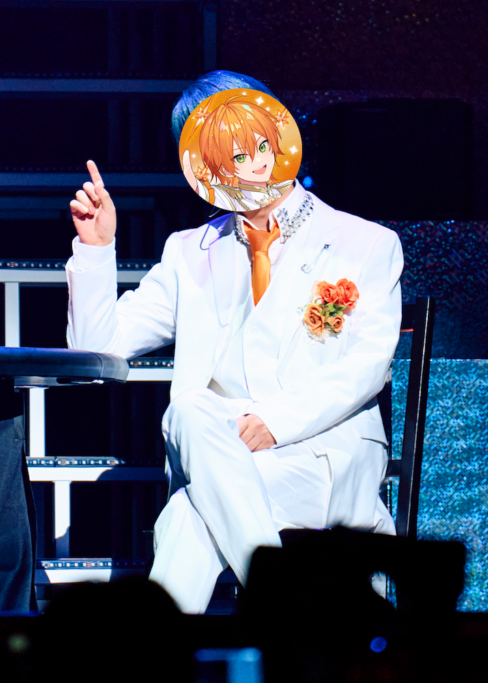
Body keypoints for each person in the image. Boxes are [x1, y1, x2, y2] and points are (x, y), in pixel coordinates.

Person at [65, 71, 403, 614]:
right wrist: (97, 249)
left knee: (189, 515)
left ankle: (166, 647)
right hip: (222, 451)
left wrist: (275, 422)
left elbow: (368, 364)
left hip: (321, 456)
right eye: (226, 151)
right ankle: (281, 606)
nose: (251, 162)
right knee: (190, 410)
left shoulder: (364, 243)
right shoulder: (189, 252)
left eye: (256, 140)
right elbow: (97, 348)